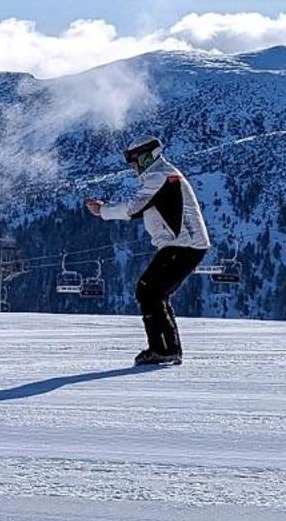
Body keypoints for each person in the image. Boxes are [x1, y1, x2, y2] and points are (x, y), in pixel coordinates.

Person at [86, 134, 210, 366]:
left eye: (135, 159)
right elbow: (145, 209)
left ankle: (162, 349)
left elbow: (134, 208)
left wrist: (103, 211)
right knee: (154, 292)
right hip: (185, 244)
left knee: (148, 291)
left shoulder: (159, 176)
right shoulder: (162, 175)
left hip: (183, 244)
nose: (132, 165)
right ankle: (168, 349)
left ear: (147, 156)